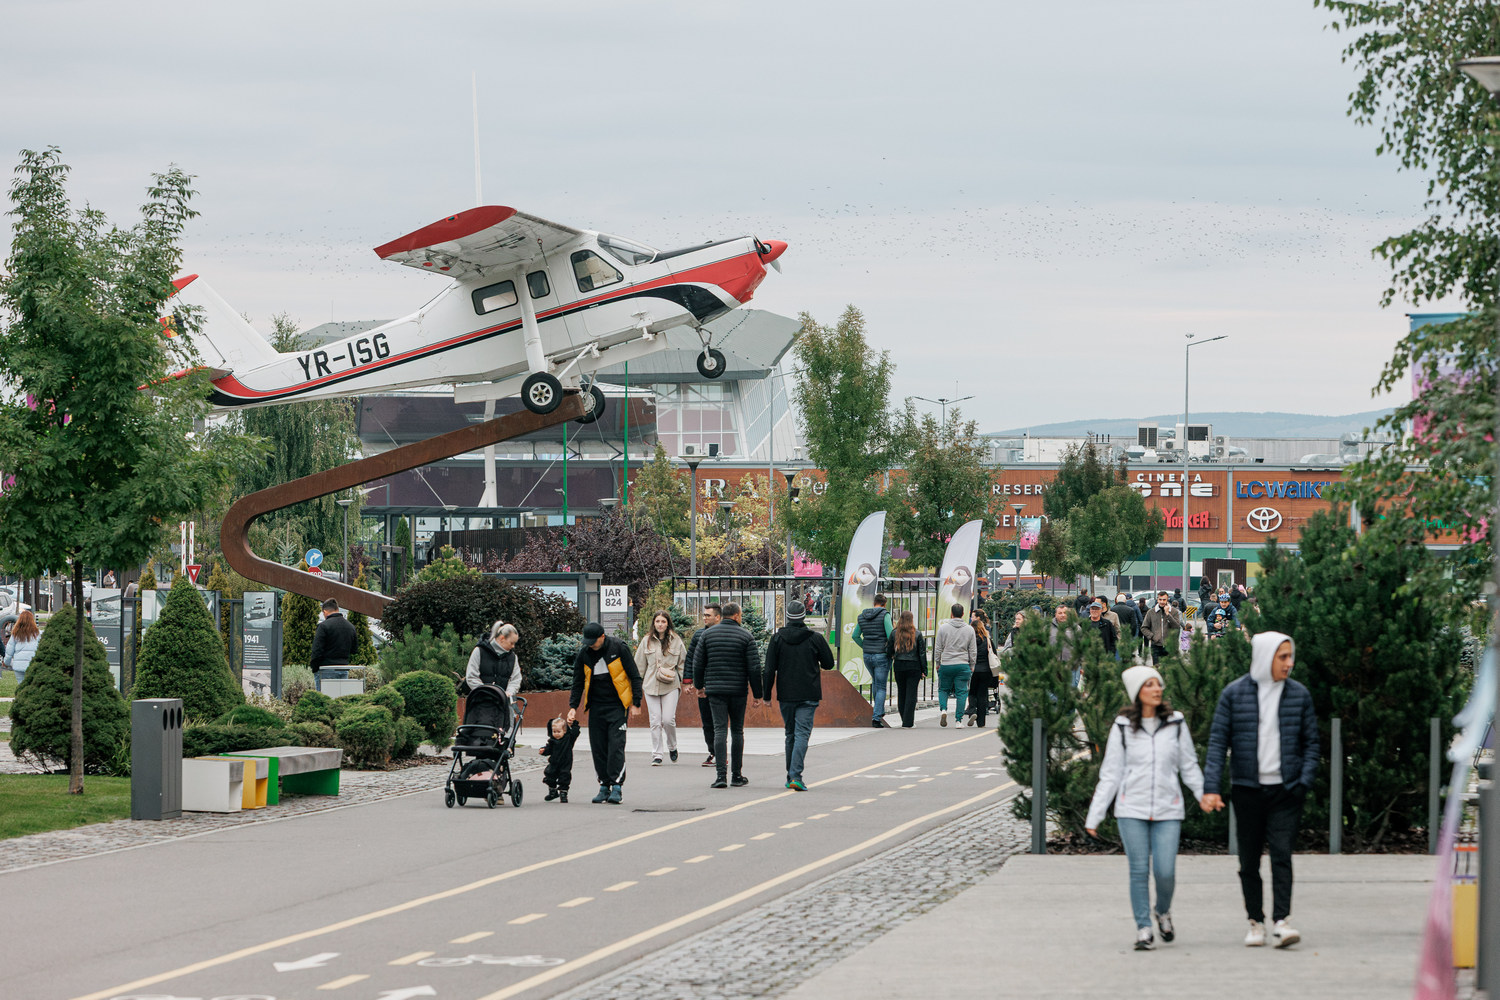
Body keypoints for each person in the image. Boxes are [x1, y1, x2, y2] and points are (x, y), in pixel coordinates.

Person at [1200, 631, 1317, 949]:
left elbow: (1311, 744)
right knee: (1248, 861)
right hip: (1247, 789)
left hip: (1286, 791)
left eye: (1291, 656)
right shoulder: (1234, 694)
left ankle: (1282, 921)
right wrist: (1212, 787)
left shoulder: (1298, 695)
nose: (1289, 663)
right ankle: (1255, 921)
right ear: (1266, 658)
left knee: (1281, 855)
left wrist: (1302, 783)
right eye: (1283, 657)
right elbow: (1217, 744)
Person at [1087, 665, 1205, 951]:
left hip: (1168, 808)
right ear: (1137, 692)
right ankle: (1143, 928)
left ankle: (1162, 910)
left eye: (1158, 684)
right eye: (1149, 685)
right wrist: (1096, 814)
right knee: (1138, 871)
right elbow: (1111, 773)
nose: (1156, 689)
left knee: (1165, 871)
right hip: (1131, 810)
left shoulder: (1176, 723)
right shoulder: (1123, 727)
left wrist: (1203, 794)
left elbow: (1188, 764)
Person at [567, 622, 643, 805]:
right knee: (598, 747)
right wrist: (572, 707)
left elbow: (634, 675)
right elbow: (577, 682)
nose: (591, 645)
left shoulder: (618, 648)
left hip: (617, 706)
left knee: (616, 746)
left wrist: (636, 702)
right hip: (596, 707)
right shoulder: (584, 654)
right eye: (588, 642)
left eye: (594, 641)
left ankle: (617, 787)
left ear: (602, 637)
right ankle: (603, 786)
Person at [690, 601, 763, 788]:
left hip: (714, 690)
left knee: (719, 730)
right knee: (737, 731)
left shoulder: (707, 635)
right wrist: (758, 694)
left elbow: (698, 664)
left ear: (722, 616)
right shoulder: (746, 636)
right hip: (738, 690)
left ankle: (721, 776)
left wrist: (699, 686)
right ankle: (737, 776)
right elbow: (754, 668)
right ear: (737, 616)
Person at [763, 600, 835, 791]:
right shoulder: (814, 638)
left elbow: (769, 669)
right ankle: (795, 775)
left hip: (786, 694)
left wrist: (766, 695)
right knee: (802, 734)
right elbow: (829, 663)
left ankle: (791, 775)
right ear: (804, 616)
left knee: (790, 734)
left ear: (787, 616)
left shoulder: (777, 638)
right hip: (808, 693)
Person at [637, 609, 686, 765]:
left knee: (668, 719)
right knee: (655, 720)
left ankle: (672, 746)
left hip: (670, 685)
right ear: (653, 623)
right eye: (657, 621)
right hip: (650, 685)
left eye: (663, 621)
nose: (660, 624)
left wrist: (686, 682)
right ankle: (657, 754)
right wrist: (636, 685)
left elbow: (683, 663)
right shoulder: (646, 641)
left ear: (668, 623)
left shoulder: (676, 640)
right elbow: (639, 664)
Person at [682, 604, 722, 768]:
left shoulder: (724, 633)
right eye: (704, 615)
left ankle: (721, 753)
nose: (704, 618)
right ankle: (713, 751)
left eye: (708, 615)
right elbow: (691, 658)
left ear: (718, 617)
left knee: (719, 722)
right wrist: (688, 681)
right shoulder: (699, 635)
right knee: (707, 721)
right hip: (703, 686)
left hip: (721, 685)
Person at [851, 594, 894, 728]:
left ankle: (879, 711)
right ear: (884, 604)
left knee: (876, 682)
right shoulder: (885, 615)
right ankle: (876, 717)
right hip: (881, 654)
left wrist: (865, 646)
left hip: (867, 655)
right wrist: (891, 650)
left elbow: (855, 635)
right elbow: (890, 634)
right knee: (881, 686)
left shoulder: (862, 616)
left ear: (873, 602)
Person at [933, 603, 976, 727]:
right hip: (963, 664)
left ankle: (944, 709)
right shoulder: (969, 629)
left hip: (946, 663)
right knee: (962, 692)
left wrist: (938, 662)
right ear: (963, 614)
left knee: (943, 689)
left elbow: (938, 648)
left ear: (951, 614)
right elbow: (972, 650)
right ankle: (958, 720)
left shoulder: (943, 628)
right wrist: (972, 664)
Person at [886, 610, 928, 728]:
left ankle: (904, 718)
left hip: (899, 665)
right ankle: (908, 721)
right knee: (911, 694)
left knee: (902, 692)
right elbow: (922, 653)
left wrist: (892, 656)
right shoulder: (917, 634)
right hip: (914, 666)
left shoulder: (895, 633)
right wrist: (924, 669)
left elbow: (889, 650)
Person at [464, 621, 522, 700]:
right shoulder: (479, 651)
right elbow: (471, 677)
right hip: (480, 702)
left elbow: (516, 679)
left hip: (503, 703)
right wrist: (487, 693)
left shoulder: (513, 657)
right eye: (511, 643)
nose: (513, 646)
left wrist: (509, 693)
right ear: (502, 638)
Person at [309, 599, 356, 691]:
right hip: (343, 668)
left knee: (325, 700)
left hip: (325, 669)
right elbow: (354, 649)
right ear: (337, 609)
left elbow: (317, 650)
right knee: (341, 698)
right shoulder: (350, 626)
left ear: (325, 611)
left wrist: (314, 667)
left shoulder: (323, 626)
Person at [963, 610, 998, 727]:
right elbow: (994, 653)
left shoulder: (970, 641)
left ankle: (972, 710)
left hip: (973, 670)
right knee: (982, 695)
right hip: (985, 670)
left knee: (972, 692)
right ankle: (981, 722)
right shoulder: (987, 640)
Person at [540, 716, 581, 803]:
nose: (556, 734)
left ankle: (563, 794)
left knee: (564, 777)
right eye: (554, 732)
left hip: (565, 763)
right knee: (549, 775)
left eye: (559, 731)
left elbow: (575, 732)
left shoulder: (568, 739)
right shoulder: (552, 741)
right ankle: (553, 791)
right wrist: (544, 751)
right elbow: (549, 750)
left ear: (565, 731)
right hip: (554, 762)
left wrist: (574, 723)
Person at [1141, 591, 1183, 666]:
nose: (1162, 602)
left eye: (1164, 600)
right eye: (1160, 599)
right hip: (1156, 646)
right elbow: (1144, 627)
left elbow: (1176, 626)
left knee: (1170, 670)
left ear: (1167, 600)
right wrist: (1152, 636)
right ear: (1157, 600)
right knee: (1157, 669)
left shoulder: (1174, 612)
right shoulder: (1151, 612)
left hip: (1170, 646)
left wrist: (1168, 614)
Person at [4, 609, 39, 686]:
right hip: (33, 665)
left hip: (18, 666)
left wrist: (8, 662)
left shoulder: (15, 635)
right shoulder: (37, 634)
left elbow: (9, 652)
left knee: (21, 687)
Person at [1050, 605, 1079, 686]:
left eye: (1065, 613)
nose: (1063, 615)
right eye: (1060, 613)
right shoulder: (1047, 628)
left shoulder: (1076, 628)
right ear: (1055, 614)